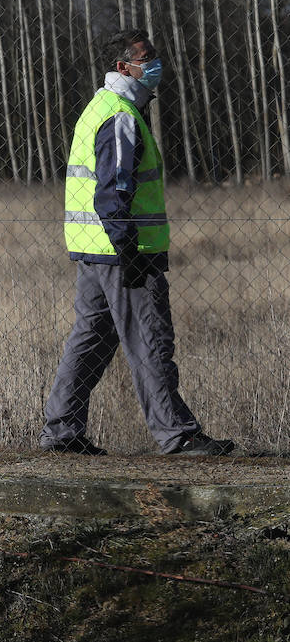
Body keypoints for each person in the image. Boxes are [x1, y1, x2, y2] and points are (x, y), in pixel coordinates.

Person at [41, 29, 232, 456]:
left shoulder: (101, 106)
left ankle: (61, 430)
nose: (155, 63)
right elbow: (112, 193)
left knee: (90, 338)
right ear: (122, 67)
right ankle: (176, 435)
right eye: (145, 58)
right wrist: (129, 251)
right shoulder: (121, 115)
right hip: (124, 251)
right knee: (151, 338)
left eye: (154, 54)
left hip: (94, 250)